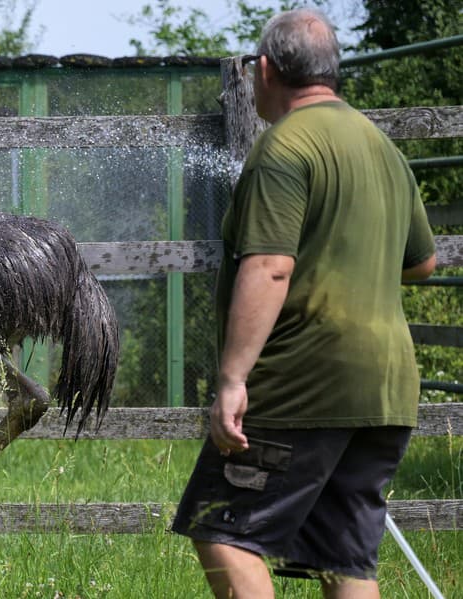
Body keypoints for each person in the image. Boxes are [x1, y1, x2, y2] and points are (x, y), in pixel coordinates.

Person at [171, 8, 437, 599]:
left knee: (222, 528)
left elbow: (269, 266)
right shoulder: (382, 149)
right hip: (386, 388)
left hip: (303, 383)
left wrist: (233, 379)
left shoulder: (284, 147)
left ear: (265, 69)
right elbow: (422, 262)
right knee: (343, 559)